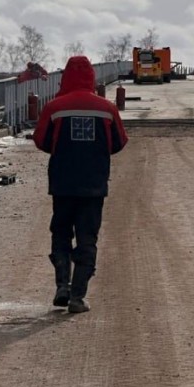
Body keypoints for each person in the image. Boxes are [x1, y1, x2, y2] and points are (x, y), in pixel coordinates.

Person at [33, 56, 129, 313]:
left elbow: (41, 139)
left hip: (62, 183)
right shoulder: (107, 109)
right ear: (91, 77)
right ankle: (78, 296)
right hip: (93, 184)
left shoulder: (54, 107)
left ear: (65, 77)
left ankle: (62, 284)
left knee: (61, 232)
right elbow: (119, 142)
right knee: (87, 238)